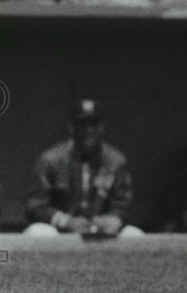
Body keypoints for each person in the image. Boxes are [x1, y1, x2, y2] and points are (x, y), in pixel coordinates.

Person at [24, 99, 142, 237]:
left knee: (134, 235)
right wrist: (66, 221)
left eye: (94, 125)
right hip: (61, 232)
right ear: (71, 128)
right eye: (82, 125)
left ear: (102, 127)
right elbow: (34, 206)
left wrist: (115, 218)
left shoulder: (116, 161)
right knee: (39, 233)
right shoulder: (50, 160)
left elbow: (124, 204)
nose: (89, 130)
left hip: (102, 232)